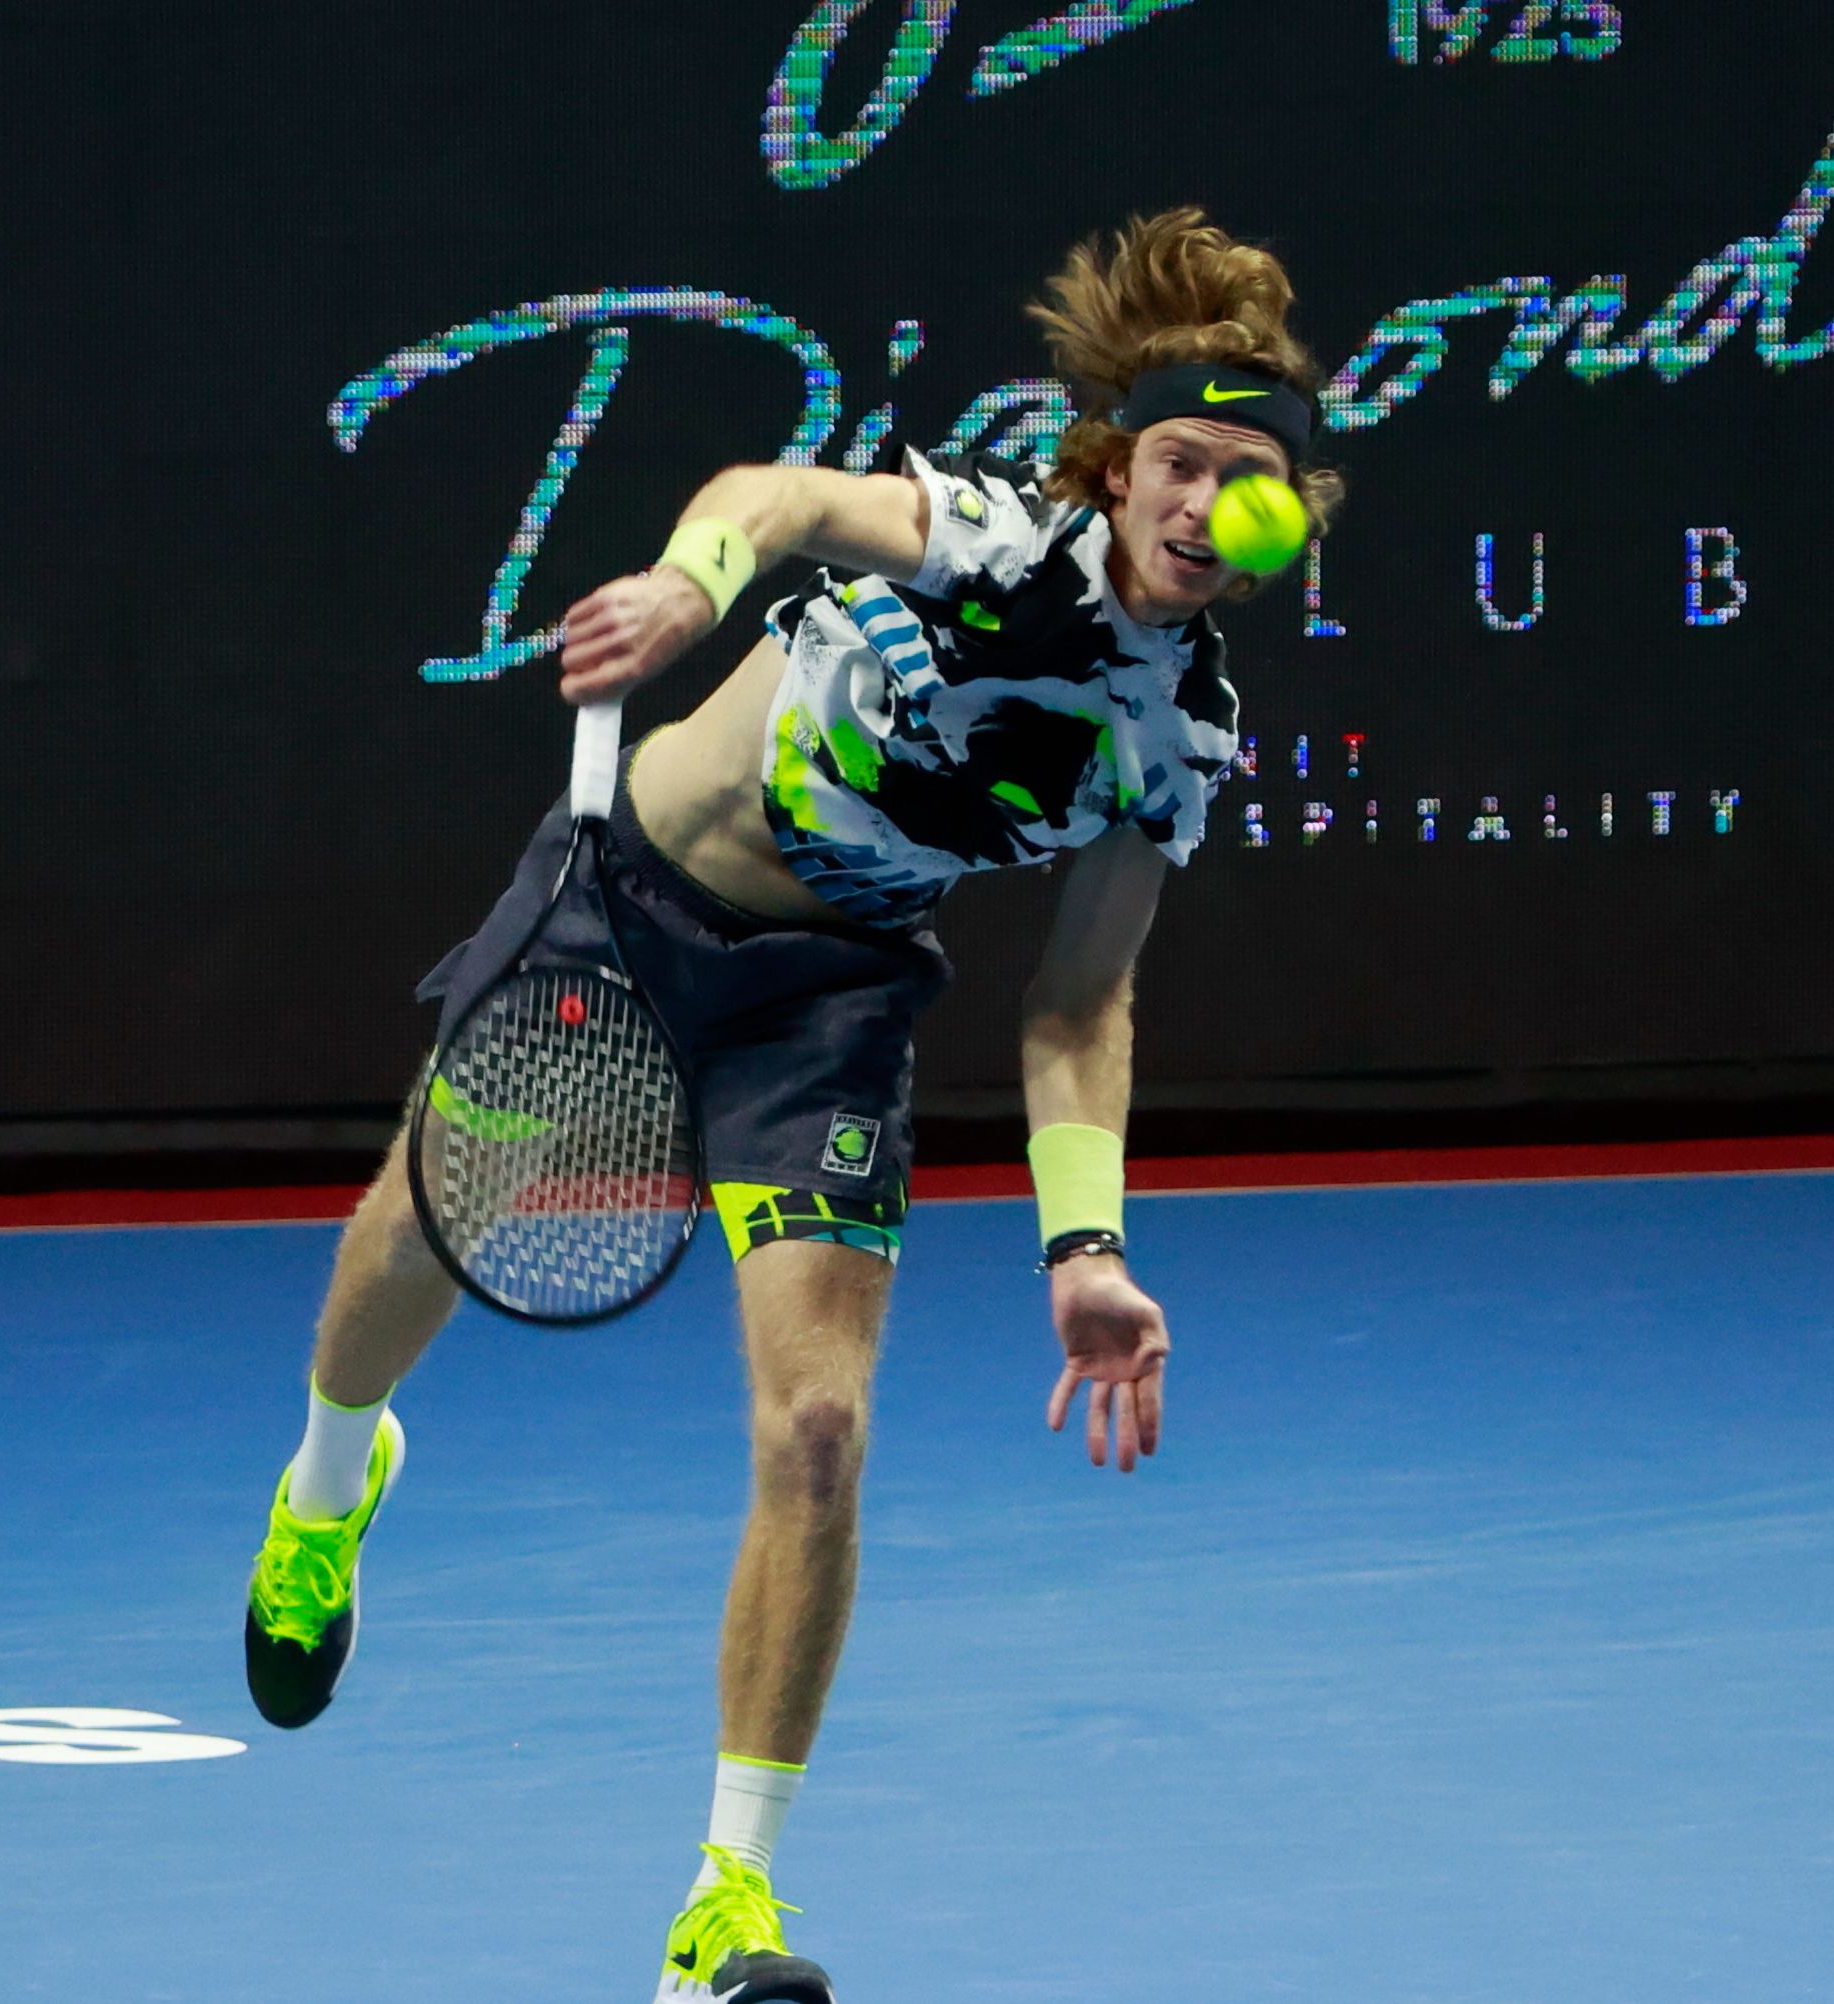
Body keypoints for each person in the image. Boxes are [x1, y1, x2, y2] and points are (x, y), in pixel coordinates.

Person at [241, 208, 1343, 2004]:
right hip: (624, 908)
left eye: (1248, 481)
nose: (1206, 502)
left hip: (823, 1003)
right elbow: (777, 496)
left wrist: (1085, 1246)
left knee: (819, 1430)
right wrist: (691, 589)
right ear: (1118, 468)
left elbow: (1078, 1002)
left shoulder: (1175, 741)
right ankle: (325, 1483)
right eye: (1180, 464)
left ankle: (725, 1903)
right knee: (418, 1234)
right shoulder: (991, 540)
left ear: (1284, 515)